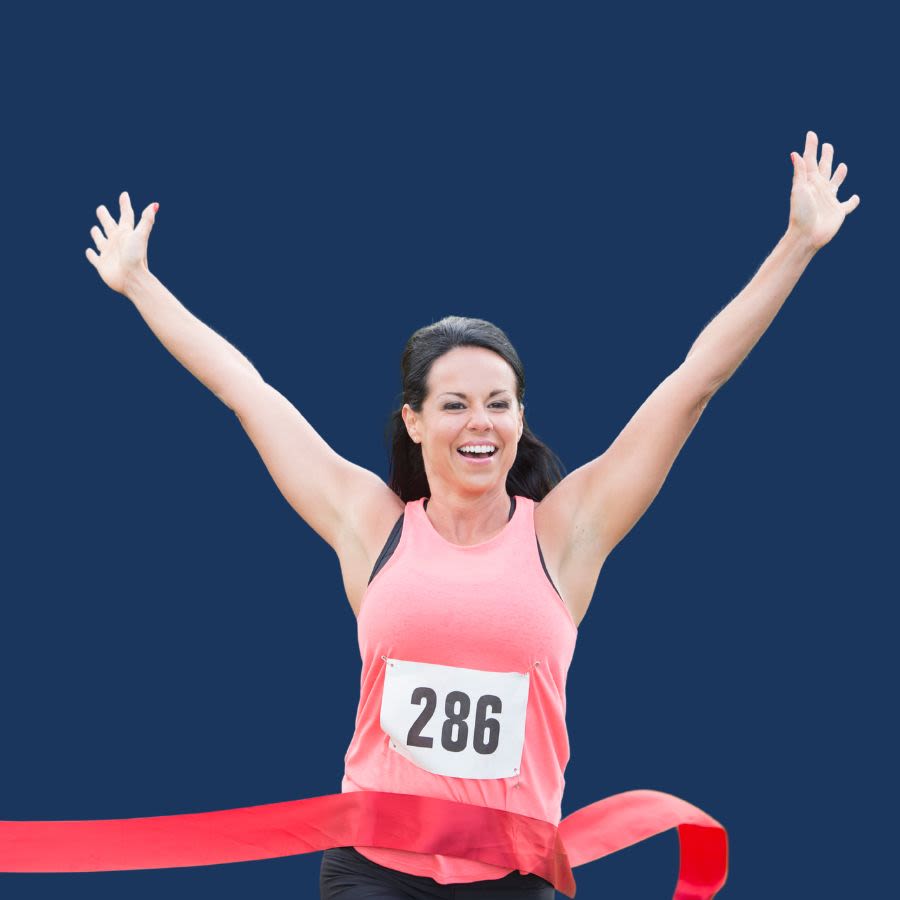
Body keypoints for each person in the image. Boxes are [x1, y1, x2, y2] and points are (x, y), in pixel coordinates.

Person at [85, 131, 858, 899]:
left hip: (514, 874)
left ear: (522, 419)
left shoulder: (567, 532)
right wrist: (139, 284)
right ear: (415, 421)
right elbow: (245, 391)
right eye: (454, 405)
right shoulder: (369, 524)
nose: (478, 423)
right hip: (375, 869)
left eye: (499, 404)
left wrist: (798, 244)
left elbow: (694, 383)